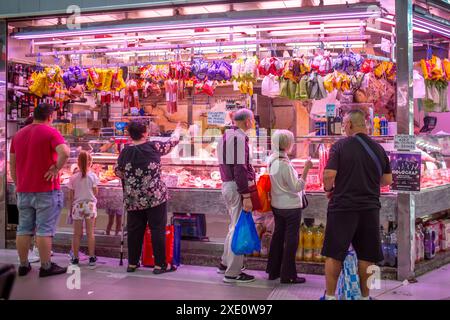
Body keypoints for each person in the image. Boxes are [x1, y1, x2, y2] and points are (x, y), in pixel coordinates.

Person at [320, 110, 393, 300]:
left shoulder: (340, 146)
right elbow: (387, 179)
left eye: (344, 125)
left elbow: (329, 175)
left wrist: (328, 188)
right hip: (370, 207)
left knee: (335, 253)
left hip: (343, 207)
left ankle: (330, 296)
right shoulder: (378, 148)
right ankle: (364, 297)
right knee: (367, 255)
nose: (344, 128)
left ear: (350, 124)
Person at [10, 103, 70, 278]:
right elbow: (65, 152)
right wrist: (55, 169)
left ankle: (23, 265)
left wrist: (17, 183)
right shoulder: (50, 132)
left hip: (24, 190)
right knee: (44, 230)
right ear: (50, 117)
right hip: (46, 189)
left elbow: (12, 163)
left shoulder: (18, 135)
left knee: (23, 229)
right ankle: (45, 267)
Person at [115, 120, 181, 274]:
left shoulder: (125, 151)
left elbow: (118, 171)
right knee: (157, 229)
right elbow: (172, 142)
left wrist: (131, 177)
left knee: (134, 230)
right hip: (154, 197)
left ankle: (132, 263)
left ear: (130, 134)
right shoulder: (153, 146)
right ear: (144, 133)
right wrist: (177, 130)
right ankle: (160, 265)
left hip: (133, 198)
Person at [266, 130, 313, 284]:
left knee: (278, 236)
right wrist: (306, 169)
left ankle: (273, 271)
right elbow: (296, 187)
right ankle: (288, 275)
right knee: (291, 239)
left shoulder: (271, 160)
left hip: (277, 205)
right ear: (287, 144)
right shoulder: (284, 164)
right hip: (290, 207)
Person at [217, 108, 256, 283]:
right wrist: (246, 195)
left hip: (227, 184)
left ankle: (225, 263)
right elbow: (239, 169)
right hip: (236, 186)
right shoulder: (239, 139)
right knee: (238, 228)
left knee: (234, 226)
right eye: (253, 120)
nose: (253, 124)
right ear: (247, 121)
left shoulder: (225, 136)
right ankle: (233, 272)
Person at [68, 151, 99, 267]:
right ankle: (91, 258)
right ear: (90, 163)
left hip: (77, 206)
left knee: (76, 234)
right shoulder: (93, 176)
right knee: (90, 233)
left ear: (77, 162)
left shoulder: (73, 177)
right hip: (90, 206)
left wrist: (71, 208)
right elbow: (96, 192)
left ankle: (75, 258)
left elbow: (70, 196)